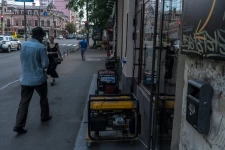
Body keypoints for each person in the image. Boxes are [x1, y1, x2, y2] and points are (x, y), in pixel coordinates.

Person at [13, 27, 51, 134]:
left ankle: (18, 125)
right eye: (42, 36)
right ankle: (44, 116)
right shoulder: (41, 47)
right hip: (39, 79)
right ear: (39, 36)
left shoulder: (24, 44)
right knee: (43, 98)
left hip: (25, 79)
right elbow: (45, 64)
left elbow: (22, 58)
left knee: (24, 102)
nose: (42, 38)